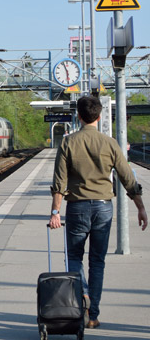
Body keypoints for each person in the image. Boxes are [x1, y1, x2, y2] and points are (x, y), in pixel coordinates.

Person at [50, 95, 147, 329]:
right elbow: (127, 177)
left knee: (74, 257)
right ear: (100, 116)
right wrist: (140, 206)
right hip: (104, 207)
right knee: (97, 262)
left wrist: (55, 211)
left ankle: (80, 297)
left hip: (77, 207)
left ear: (79, 116)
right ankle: (92, 315)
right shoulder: (110, 143)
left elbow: (59, 182)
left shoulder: (68, 143)